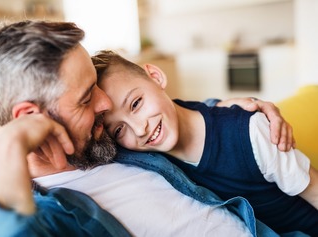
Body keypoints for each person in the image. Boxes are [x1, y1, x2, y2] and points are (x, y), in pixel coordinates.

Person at [0, 20, 298, 237]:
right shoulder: (46, 215)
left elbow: (158, 112)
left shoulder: (102, 143)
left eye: (96, 86)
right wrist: (4, 146)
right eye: (85, 98)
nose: (104, 104)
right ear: (28, 117)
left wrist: (230, 110)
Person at [92, 50, 318, 235]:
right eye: (119, 130)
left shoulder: (250, 129)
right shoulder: (149, 162)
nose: (140, 129)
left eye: (136, 104)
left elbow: (314, 191)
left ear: (155, 76)